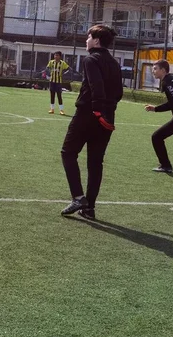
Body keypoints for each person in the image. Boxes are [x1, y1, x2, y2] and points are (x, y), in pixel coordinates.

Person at [60, 24, 123, 220]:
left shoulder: (90, 59)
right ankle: (90, 208)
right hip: (108, 117)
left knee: (68, 153)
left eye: (88, 37)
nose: (86, 40)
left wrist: (96, 109)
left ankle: (78, 197)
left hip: (89, 114)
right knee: (95, 162)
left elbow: (96, 86)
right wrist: (107, 110)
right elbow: (119, 93)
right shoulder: (114, 63)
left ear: (96, 40)